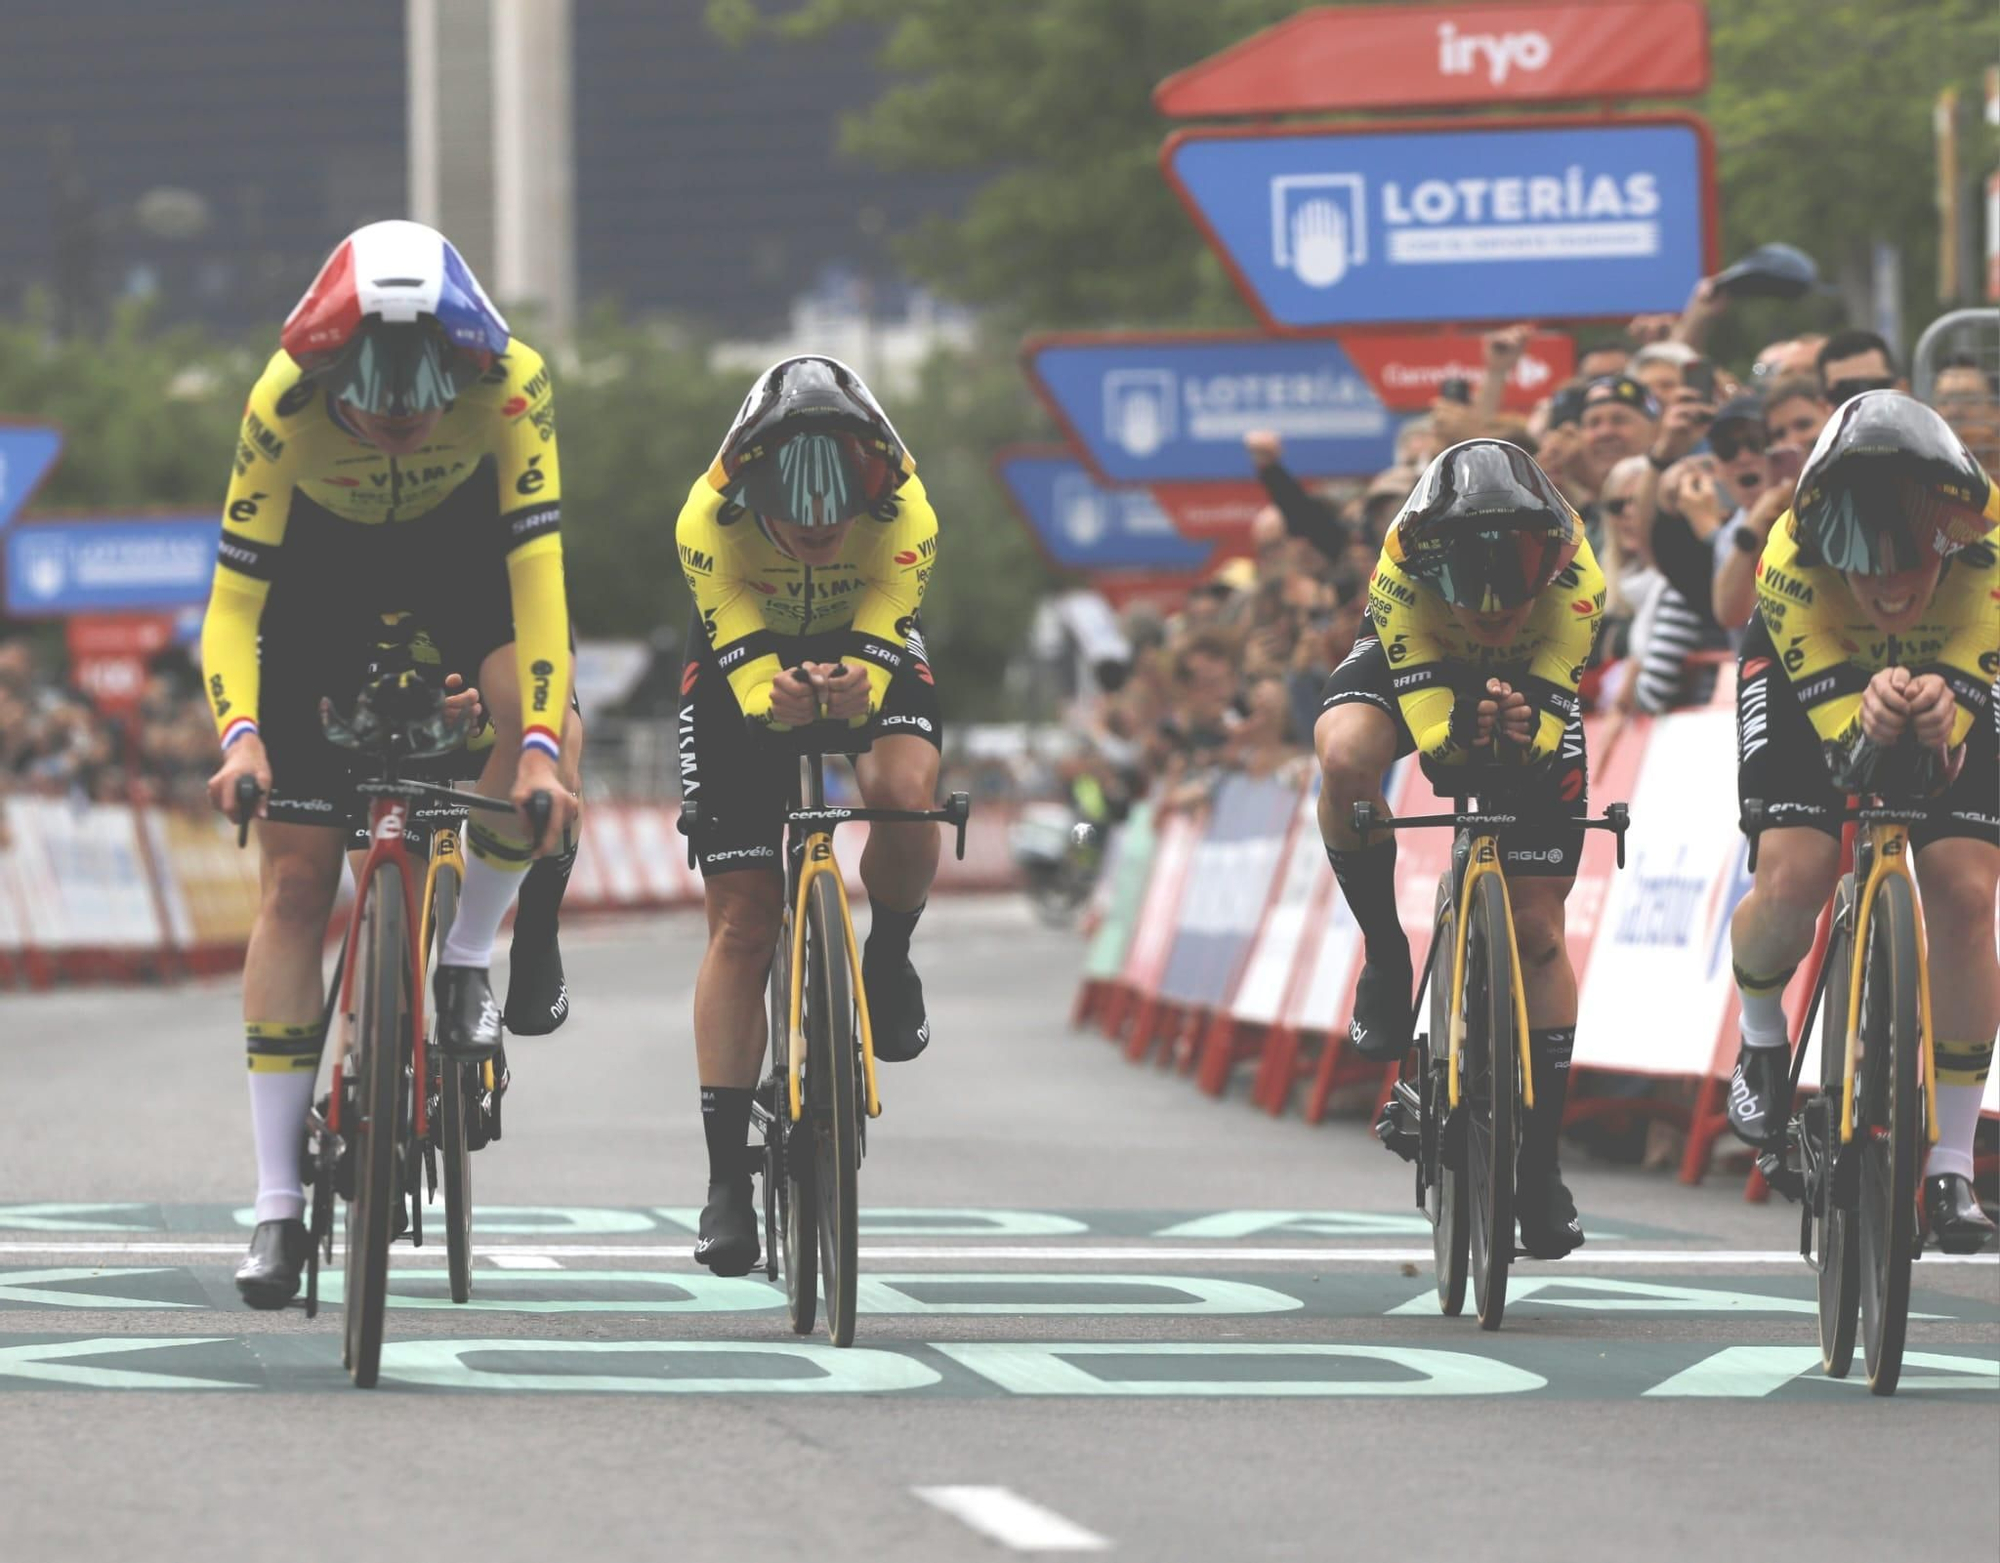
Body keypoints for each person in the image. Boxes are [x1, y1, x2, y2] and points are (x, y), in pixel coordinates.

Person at [200, 219, 582, 1308]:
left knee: (543, 735)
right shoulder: (284, 399)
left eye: (420, 419)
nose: (399, 439)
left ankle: (465, 957)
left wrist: (543, 751)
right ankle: (277, 1207)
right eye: (373, 419)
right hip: (319, 581)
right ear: (333, 386)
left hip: (464, 556)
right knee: (292, 885)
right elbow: (233, 605)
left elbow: (541, 583)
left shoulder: (511, 384)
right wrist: (241, 741)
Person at [674, 355, 943, 1277]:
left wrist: (857, 677)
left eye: (836, 521)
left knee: (906, 799)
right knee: (744, 922)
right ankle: (723, 1181)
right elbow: (744, 673)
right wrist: (768, 695)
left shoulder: (907, 512)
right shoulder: (706, 522)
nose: (818, 534)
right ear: (754, 495)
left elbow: (883, 642)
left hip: (869, 638)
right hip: (742, 656)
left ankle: (889, 951)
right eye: (795, 521)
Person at [1314, 440, 1604, 1258]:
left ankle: (1539, 1165)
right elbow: (1439, 749)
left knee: (1538, 929)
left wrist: (1522, 730)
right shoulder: (1403, 568)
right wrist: (1461, 728)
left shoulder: (1578, 577)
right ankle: (1383, 951)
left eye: (1509, 606)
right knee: (1344, 755)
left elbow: (1545, 733)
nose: (1494, 615)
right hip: (1423, 666)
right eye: (1479, 605)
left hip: (1530, 683)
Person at [1724, 392, 1999, 1252]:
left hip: (1950, 661)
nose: (1886, 588)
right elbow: (1848, 756)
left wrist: (1942, 723)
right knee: (1795, 875)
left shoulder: (1989, 549)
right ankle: (1762, 1035)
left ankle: (1951, 1159)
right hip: (1813, 664)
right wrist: (1866, 720)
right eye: (1863, 568)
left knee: (1964, 888)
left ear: (1947, 546)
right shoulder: (1791, 555)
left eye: (1906, 570)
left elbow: (1959, 734)